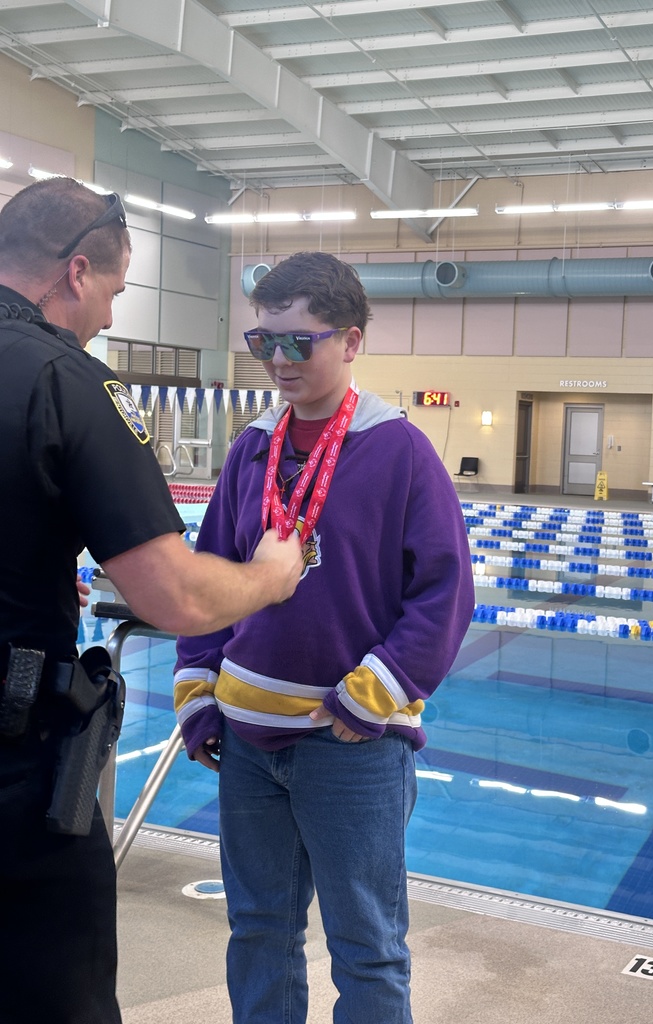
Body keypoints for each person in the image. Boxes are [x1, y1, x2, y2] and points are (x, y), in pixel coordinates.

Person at [0, 177, 303, 1024]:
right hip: (15, 771)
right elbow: (172, 594)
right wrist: (271, 577)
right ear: (77, 271)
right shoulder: (69, 382)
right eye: (112, 295)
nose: (107, 319)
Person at [174, 251, 475, 1023]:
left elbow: (445, 592)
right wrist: (197, 690)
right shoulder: (252, 446)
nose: (278, 360)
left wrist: (372, 694)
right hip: (245, 744)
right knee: (259, 931)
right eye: (263, 341)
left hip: (353, 746)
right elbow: (208, 572)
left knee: (367, 947)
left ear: (351, 340)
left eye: (298, 342)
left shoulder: (399, 450)